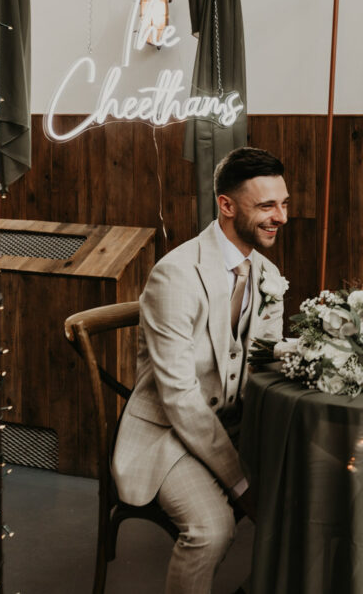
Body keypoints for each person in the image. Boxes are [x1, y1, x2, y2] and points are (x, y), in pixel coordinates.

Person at [112, 147, 290, 594]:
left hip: (234, 428)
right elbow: (180, 399)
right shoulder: (175, 275)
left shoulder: (268, 276)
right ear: (226, 206)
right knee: (211, 530)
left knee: (307, 501)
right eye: (267, 206)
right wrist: (241, 484)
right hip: (168, 436)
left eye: (284, 203)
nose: (281, 216)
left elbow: (259, 367)